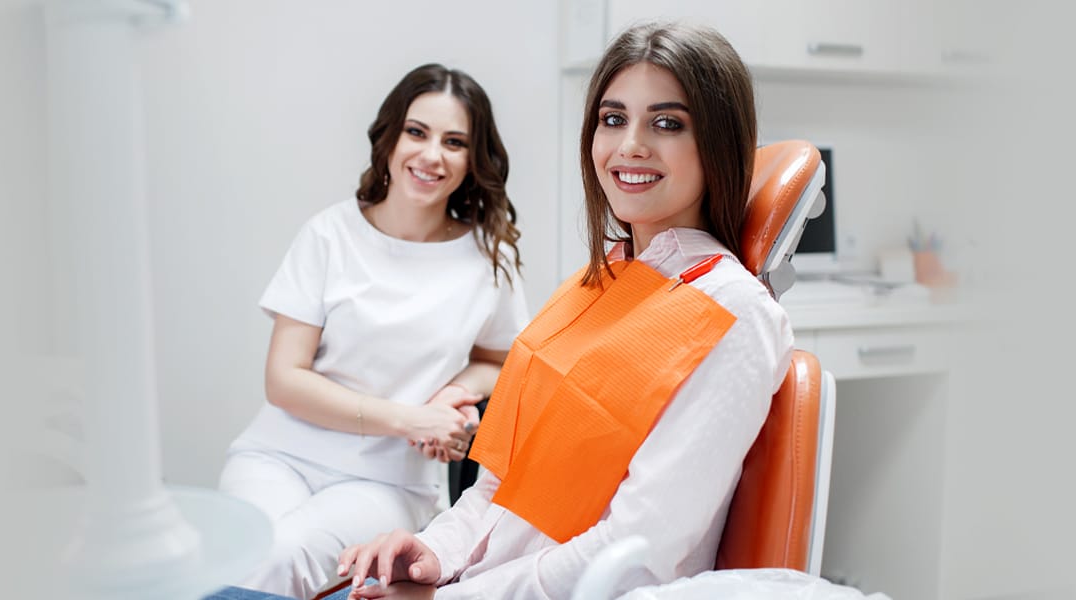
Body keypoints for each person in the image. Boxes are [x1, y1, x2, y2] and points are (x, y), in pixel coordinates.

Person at [334, 23, 794, 600]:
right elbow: (499, 488)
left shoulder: (735, 314)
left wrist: (450, 598)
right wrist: (434, 552)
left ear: (718, 144)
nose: (630, 145)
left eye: (667, 123)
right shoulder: (591, 283)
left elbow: (637, 553)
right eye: (613, 118)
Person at [218, 63, 527, 599]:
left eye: (454, 142)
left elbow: (502, 361)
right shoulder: (329, 235)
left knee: (281, 556)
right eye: (417, 132)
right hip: (276, 455)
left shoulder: (487, 258)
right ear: (390, 139)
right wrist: (412, 419)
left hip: (387, 481)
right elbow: (284, 379)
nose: (431, 155)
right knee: (244, 554)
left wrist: (454, 395)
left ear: (473, 160)